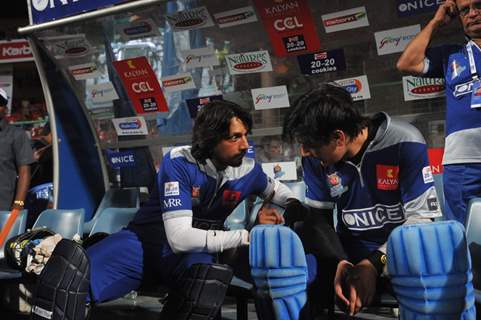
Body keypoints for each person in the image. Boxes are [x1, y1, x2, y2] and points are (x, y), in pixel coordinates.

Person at [31, 100, 317, 320]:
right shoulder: (179, 163)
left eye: (246, 135)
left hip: (195, 256)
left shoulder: (248, 168)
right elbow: (179, 237)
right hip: (146, 244)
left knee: (205, 283)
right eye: (235, 137)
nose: (245, 145)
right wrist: (245, 237)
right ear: (211, 139)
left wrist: (289, 209)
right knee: (65, 283)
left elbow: (278, 191)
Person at [282, 83, 442, 316]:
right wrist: (339, 262)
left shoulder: (404, 140)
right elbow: (319, 219)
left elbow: (421, 220)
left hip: (399, 254)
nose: (305, 152)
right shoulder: (315, 159)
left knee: (433, 271)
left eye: (311, 145)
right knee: (303, 277)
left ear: (339, 137)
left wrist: (374, 265)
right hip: (346, 254)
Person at [396, 0, 481, 224]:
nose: (472, 13)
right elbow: (407, 63)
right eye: (465, 10)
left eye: (478, 5)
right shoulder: (451, 54)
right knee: (464, 233)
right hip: (463, 163)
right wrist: (436, 22)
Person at [0, 88, 34, 212]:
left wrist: (18, 204)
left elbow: (24, 172)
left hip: (3, 207)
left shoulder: (17, 135)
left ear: (5, 108)